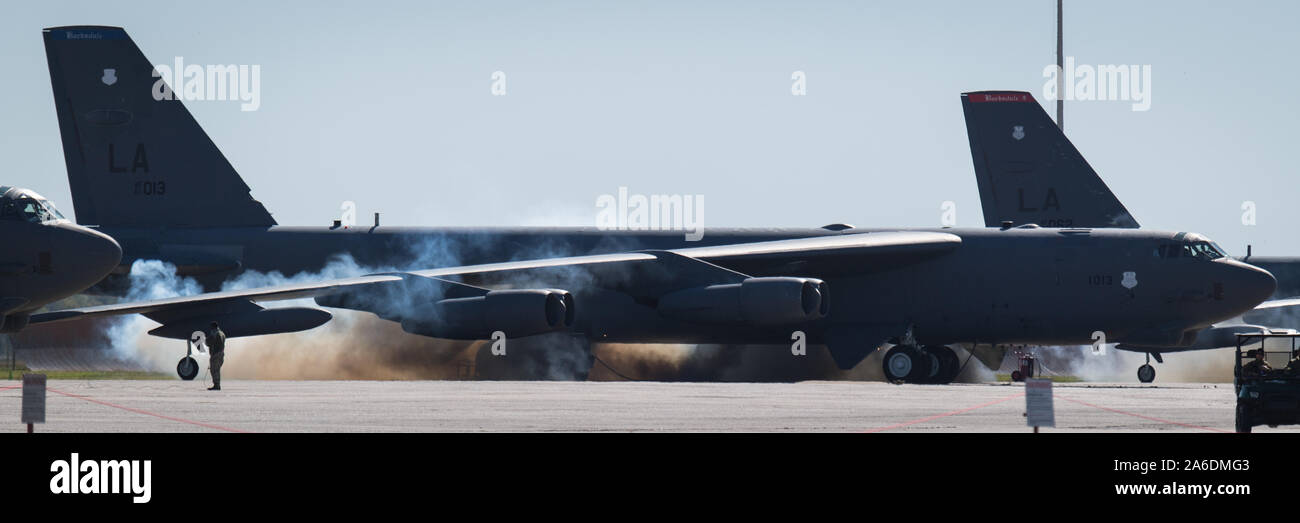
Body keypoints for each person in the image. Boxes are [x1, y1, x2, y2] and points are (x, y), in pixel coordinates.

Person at [206, 321, 226, 391]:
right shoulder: (222, 333)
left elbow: (208, 343)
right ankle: (216, 385)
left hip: (216, 354)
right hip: (221, 354)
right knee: (216, 370)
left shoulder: (215, 334)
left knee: (214, 370)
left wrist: (214, 354)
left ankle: (216, 385)